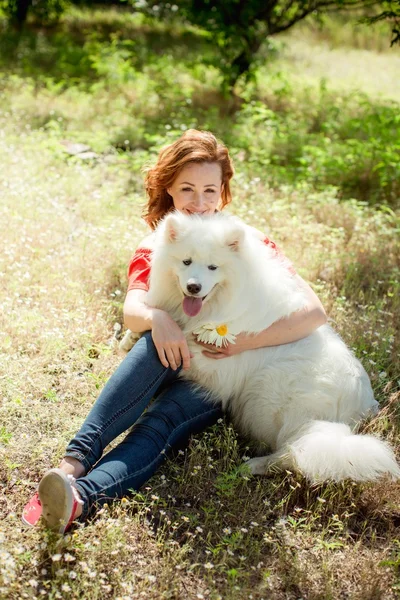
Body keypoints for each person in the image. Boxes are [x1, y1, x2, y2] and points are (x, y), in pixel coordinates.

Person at [22, 129, 327, 533]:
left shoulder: (249, 242)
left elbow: (314, 313)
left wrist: (242, 344)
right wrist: (159, 318)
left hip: (222, 372)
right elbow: (133, 309)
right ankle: (69, 466)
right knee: (152, 343)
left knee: (159, 425)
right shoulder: (161, 241)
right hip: (166, 355)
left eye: (209, 190)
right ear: (169, 188)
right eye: (187, 189)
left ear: (223, 191)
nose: (199, 203)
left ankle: (78, 499)